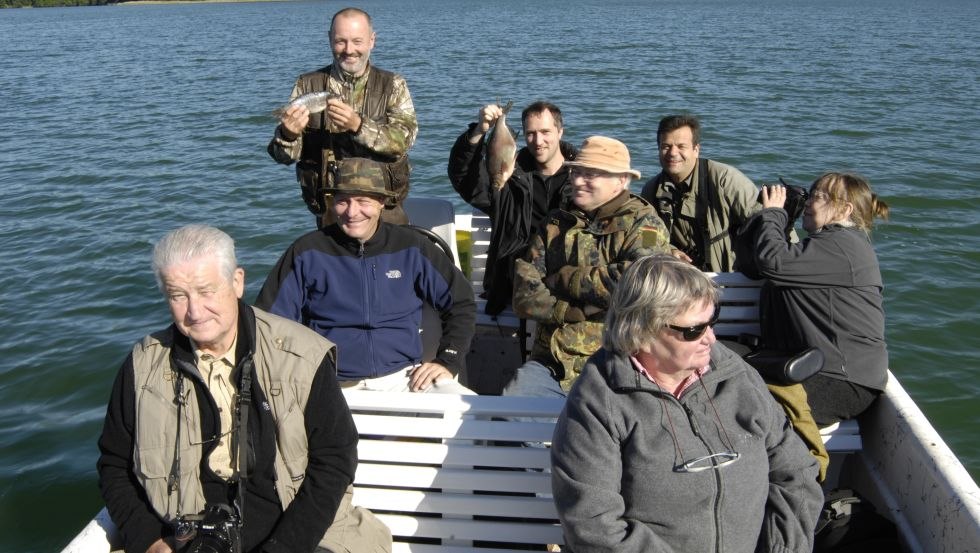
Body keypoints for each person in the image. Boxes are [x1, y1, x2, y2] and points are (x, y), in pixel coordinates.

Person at [97, 225, 390, 553]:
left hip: (300, 533)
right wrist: (149, 539)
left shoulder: (300, 355)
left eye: (206, 291)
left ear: (237, 282)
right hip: (185, 537)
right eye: (178, 296)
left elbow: (335, 459)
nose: (194, 312)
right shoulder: (142, 366)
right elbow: (115, 463)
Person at [551, 254, 823, 552]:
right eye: (694, 330)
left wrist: (784, 548)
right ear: (642, 332)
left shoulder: (737, 376)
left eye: (712, 322)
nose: (711, 338)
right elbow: (592, 525)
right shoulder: (599, 402)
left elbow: (797, 473)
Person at [256, 158, 476, 394]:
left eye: (363, 201)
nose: (352, 212)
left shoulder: (413, 247)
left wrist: (447, 360)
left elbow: (461, 303)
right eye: (342, 201)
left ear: (382, 202)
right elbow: (268, 322)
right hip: (329, 382)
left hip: (407, 378)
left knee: (476, 418)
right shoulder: (306, 252)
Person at [506, 136, 670, 397]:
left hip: (620, 360)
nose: (578, 181)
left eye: (591, 174)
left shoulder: (645, 225)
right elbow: (524, 292)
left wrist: (565, 279)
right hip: (553, 360)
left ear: (621, 180)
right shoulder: (555, 224)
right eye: (576, 172)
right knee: (514, 407)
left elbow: (641, 283)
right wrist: (572, 311)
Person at [748, 173, 890, 425]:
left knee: (748, 413)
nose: (808, 203)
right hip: (818, 367)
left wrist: (773, 214)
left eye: (817, 196)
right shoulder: (827, 245)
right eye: (809, 194)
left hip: (841, 380)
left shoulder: (843, 246)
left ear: (844, 209)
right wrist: (785, 221)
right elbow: (754, 267)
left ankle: (794, 464)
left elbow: (772, 261)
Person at [268, 7, 418, 228]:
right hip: (331, 210)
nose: (349, 50)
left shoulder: (393, 84)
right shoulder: (307, 84)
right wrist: (288, 135)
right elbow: (282, 157)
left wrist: (357, 125)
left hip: (383, 208)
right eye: (341, 41)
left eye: (357, 41)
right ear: (330, 40)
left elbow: (403, 141)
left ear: (371, 41)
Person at [447, 101, 577, 314]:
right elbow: (463, 178)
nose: (538, 141)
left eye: (545, 132)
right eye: (530, 133)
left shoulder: (582, 181)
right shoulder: (507, 179)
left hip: (565, 286)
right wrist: (478, 132)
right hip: (511, 284)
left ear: (560, 132)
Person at [640, 114, 761, 272]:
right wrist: (669, 252)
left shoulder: (725, 180)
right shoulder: (651, 191)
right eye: (666, 146)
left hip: (732, 277)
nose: (672, 153)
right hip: (683, 282)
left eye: (681, 146)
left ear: (696, 150)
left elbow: (769, 223)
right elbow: (647, 240)